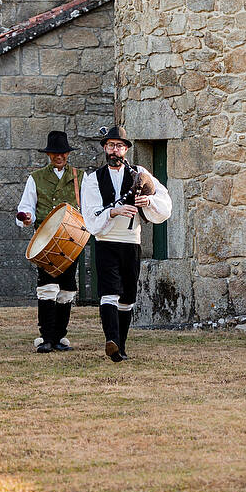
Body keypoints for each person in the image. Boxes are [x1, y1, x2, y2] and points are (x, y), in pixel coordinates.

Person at [79, 126, 172, 362]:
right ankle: (111, 341)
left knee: (128, 297)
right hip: (107, 241)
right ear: (104, 148)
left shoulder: (140, 173)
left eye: (119, 146)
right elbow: (90, 215)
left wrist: (148, 200)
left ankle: (121, 346)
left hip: (131, 241)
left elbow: (164, 202)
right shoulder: (93, 179)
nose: (114, 151)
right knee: (109, 292)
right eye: (110, 145)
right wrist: (113, 211)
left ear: (126, 149)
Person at [16, 130, 82, 353]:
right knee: (47, 287)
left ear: (67, 154)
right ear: (49, 155)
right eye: (54, 153)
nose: (59, 156)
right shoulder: (35, 178)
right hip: (45, 241)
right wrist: (25, 218)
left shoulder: (81, 177)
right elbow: (27, 206)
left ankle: (59, 336)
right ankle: (46, 337)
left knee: (68, 288)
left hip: (73, 240)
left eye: (62, 153)